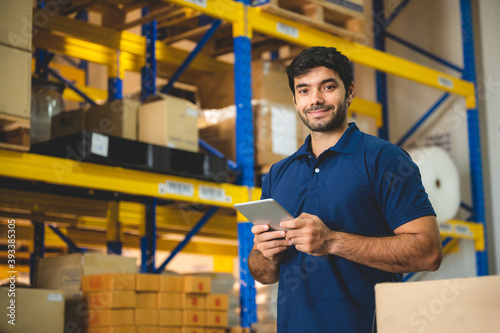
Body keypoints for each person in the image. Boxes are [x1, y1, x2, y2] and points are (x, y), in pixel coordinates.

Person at [248, 46, 443, 332]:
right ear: (294, 99)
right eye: (304, 91)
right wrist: (267, 253)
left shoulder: (384, 159)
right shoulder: (279, 173)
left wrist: (332, 241)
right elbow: (262, 274)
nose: (315, 99)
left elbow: (428, 252)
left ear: (349, 91)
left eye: (327, 87)